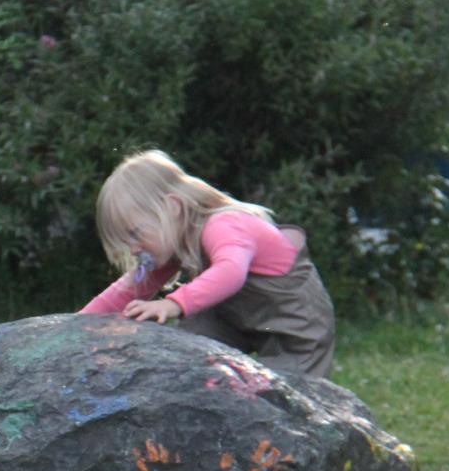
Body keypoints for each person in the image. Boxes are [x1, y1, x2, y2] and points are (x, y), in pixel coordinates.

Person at [77, 149, 336, 378]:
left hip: (293, 323)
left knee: (288, 393)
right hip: (231, 318)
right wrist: (74, 326)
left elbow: (230, 272)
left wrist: (173, 303)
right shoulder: (172, 244)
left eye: (136, 234)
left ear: (173, 207)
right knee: (186, 354)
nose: (134, 249)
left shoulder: (224, 225)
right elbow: (126, 290)